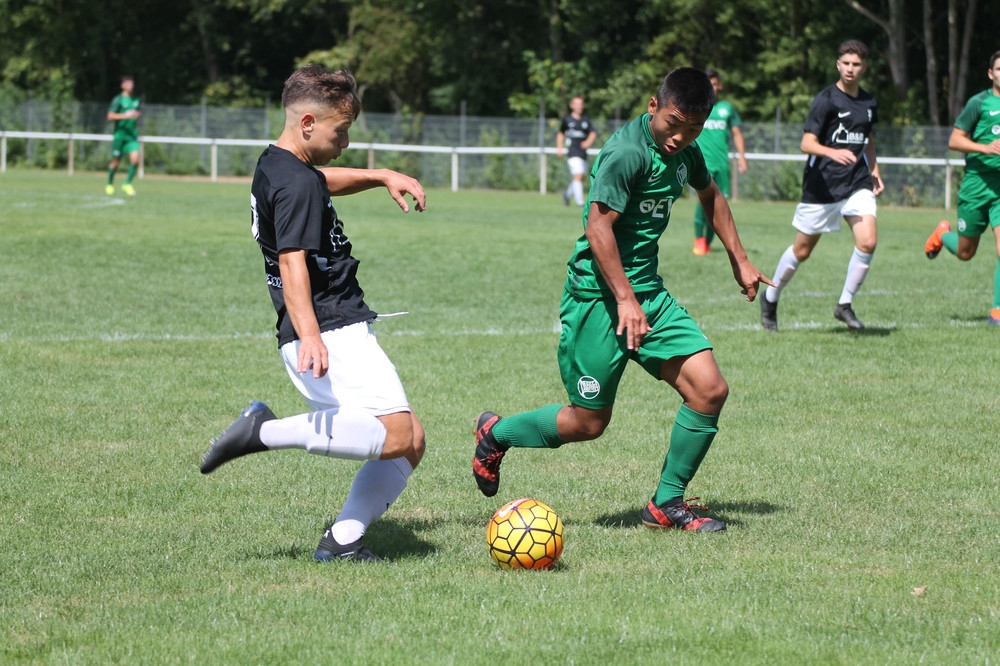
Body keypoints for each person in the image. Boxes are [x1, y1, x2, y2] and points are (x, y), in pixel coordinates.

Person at [472, 68, 773, 533]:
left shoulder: (685, 151)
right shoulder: (627, 153)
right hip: (597, 298)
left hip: (646, 293)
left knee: (709, 389)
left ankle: (665, 504)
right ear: (654, 106)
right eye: (674, 124)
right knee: (588, 423)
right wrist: (625, 299)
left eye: (693, 128)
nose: (680, 137)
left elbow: (711, 194)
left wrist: (740, 259)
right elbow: (598, 228)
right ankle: (497, 433)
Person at [200, 65, 427, 562]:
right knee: (398, 435)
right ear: (307, 123)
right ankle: (262, 431)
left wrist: (379, 175)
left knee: (411, 441)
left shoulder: (279, 164)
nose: (345, 142)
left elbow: (320, 181)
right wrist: (311, 335)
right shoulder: (296, 184)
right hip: (328, 325)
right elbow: (292, 262)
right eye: (340, 131)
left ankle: (343, 541)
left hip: (329, 321)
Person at [760, 40, 884, 332]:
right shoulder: (826, 99)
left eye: (856, 64)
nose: (850, 69)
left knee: (868, 242)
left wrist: (875, 170)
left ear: (864, 68)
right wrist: (832, 152)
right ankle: (770, 297)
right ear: (838, 65)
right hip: (822, 186)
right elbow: (807, 143)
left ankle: (844, 304)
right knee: (802, 251)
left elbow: (868, 139)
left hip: (857, 182)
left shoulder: (869, 103)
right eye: (846, 63)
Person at [925, 50, 1000, 326]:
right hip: (976, 186)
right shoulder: (978, 103)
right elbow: (954, 140)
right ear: (991, 73)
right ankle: (942, 234)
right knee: (966, 253)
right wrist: (985, 148)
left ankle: (998, 311)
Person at [692, 69, 748, 255]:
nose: (712, 88)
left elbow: (737, 134)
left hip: (722, 163)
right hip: (702, 162)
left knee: (718, 204)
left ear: (720, 86)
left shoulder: (727, 109)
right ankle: (699, 240)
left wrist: (742, 157)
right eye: (709, 84)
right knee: (702, 200)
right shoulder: (697, 107)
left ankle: (707, 243)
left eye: (715, 84)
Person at [557, 96, 598, 207]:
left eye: (581, 104)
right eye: (577, 104)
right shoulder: (567, 120)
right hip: (572, 153)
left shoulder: (585, 120)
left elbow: (593, 133)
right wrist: (559, 147)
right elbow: (561, 133)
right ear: (572, 106)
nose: (580, 106)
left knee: (579, 177)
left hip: (583, 153)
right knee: (578, 175)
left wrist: (588, 142)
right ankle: (580, 201)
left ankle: (567, 195)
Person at [106, 75, 141, 196]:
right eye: (127, 83)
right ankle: (109, 183)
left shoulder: (136, 99)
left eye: (131, 83)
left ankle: (127, 184)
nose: (129, 85)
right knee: (115, 162)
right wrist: (125, 116)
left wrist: (136, 115)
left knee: (135, 160)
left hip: (132, 136)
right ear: (122, 86)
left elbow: (136, 113)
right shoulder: (118, 100)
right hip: (120, 136)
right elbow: (110, 116)